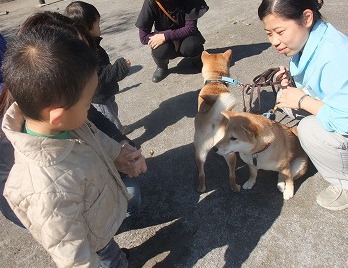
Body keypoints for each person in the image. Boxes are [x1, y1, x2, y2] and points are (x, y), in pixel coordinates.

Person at [2, 25, 146, 267]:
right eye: (87, 103)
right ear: (57, 116)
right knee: (105, 258)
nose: (89, 110)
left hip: (95, 223)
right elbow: (73, 257)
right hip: (88, 244)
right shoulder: (45, 190)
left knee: (109, 250)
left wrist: (119, 152)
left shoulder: (66, 123)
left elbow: (95, 138)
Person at [258, 0, 348, 210]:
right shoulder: (308, 41)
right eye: (269, 33)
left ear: (307, 18)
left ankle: (343, 184)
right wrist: (291, 85)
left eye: (280, 31)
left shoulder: (335, 57)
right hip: (337, 108)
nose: (275, 41)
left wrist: (301, 99)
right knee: (284, 97)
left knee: (309, 129)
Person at [65, 1, 131, 135]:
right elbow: (101, 75)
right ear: (87, 28)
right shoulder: (89, 51)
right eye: (97, 23)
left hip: (105, 93)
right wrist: (121, 66)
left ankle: (118, 129)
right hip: (99, 96)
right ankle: (119, 138)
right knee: (109, 119)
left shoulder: (87, 45)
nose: (100, 26)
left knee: (113, 109)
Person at [135, 0, 209, 83]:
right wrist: (160, 38)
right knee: (160, 49)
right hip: (165, 42)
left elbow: (191, 28)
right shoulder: (151, 2)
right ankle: (162, 67)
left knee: (192, 45)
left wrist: (165, 36)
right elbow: (143, 37)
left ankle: (198, 61)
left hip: (186, 36)